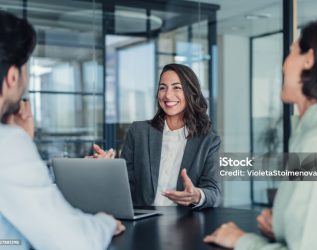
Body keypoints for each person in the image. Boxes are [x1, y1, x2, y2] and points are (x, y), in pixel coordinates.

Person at [204, 19, 317, 249]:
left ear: (309, 59)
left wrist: (242, 241)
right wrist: (288, 228)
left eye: (291, 52)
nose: (284, 64)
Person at [0, 11, 125, 250]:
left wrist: (23, 142)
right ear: (13, 77)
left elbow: (23, 202)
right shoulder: (7, 144)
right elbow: (75, 242)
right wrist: (105, 222)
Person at [92, 63, 221, 208]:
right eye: (162, 87)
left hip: (185, 222)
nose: (167, 95)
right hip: (143, 220)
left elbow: (214, 192)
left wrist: (197, 195)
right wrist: (109, 168)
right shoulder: (138, 131)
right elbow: (125, 184)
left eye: (176, 87)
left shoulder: (208, 140)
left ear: (191, 92)